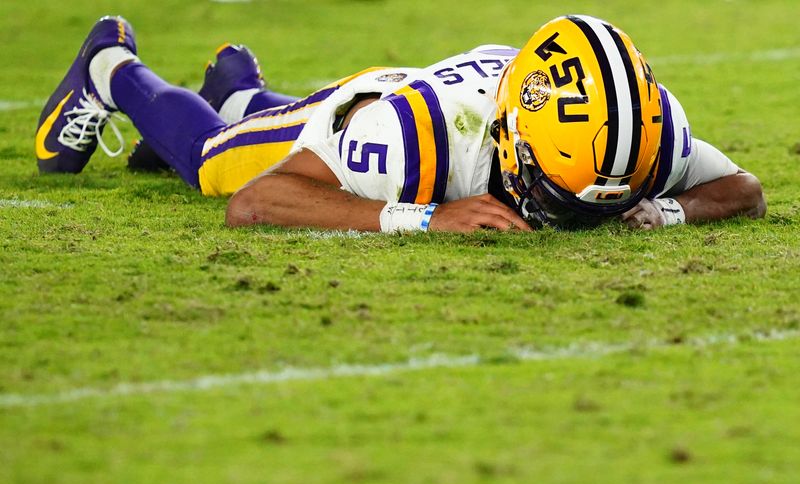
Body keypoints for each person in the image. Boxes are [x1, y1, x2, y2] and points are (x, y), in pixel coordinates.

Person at [36, 15, 765, 234]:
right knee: (211, 162)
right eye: (554, 194)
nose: (568, 221)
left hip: (432, 99)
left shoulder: (640, 131)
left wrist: (668, 208)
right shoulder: (411, 140)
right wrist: (419, 218)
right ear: (512, 137)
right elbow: (254, 203)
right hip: (365, 109)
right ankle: (109, 67)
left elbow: (744, 188)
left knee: (257, 119)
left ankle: (238, 86)